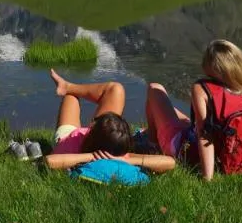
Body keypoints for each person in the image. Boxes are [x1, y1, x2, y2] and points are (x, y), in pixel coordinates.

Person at [145, 39, 242, 181]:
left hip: (188, 153)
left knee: (155, 89)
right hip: (236, 161)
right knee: (181, 116)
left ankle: (153, 145)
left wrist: (207, 179)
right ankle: (157, 136)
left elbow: (205, 136)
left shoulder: (202, 89)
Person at [44, 69, 175, 173]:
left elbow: (49, 161)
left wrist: (91, 156)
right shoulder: (118, 153)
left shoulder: (70, 148)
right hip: (102, 138)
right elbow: (170, 162)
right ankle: (67, 86)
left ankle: (68, 89)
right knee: (115, 90)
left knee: (71, 97)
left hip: (70, 135)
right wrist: (127, 160)